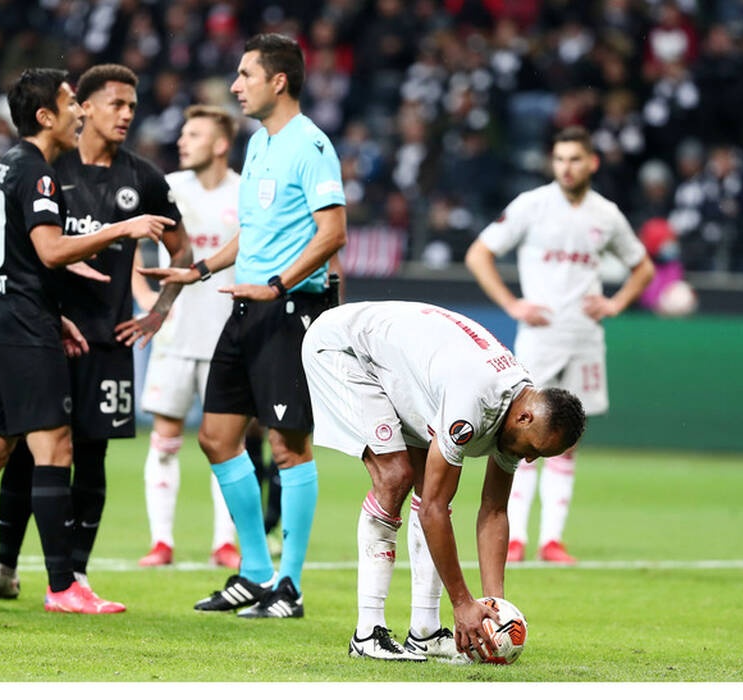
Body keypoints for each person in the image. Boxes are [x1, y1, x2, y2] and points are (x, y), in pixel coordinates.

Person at [0, 67, 172, 612]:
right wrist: (123, 227)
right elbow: (48, 251)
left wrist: (52, 313)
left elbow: (10, 256)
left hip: (3, 323)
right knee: (56, 449)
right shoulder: (40, 174)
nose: (78, 112)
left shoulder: (8, 167)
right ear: (46, 115)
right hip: (23, 333)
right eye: (72, 102)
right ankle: (63, 586)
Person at [133, 33, 346, 618]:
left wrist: (277, 284)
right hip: (244, 306)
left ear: (278, 81)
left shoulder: (311, 146)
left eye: (245, 75)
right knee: (217, 438)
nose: (235, 85)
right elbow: (253, 232)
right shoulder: (260, 145)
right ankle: (253, 572)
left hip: (288, 310)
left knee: (288, 446)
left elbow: (333, 234)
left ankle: (290, 585)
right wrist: (198, 268)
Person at [301, 300, 586, 661]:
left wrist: (492, 608)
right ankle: (367, 634)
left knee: (429, 486)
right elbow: (432, 511)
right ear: (525, 418)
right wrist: (463, 602)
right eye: (535, 450)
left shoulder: (520, 410)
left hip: (398, 362)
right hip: (343, 348)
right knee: (396, 477)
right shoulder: (475, 401)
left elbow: (494, 510)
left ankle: (425, 632)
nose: (529, 459)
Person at [464, 125, 654, 565]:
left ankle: (552, 540)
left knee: (568, 442)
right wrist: (512, 304)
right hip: (540, 338)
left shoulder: (606, 214)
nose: (567, 167)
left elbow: (642, 266)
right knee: (521, 434)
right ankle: (515, 538)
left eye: (575, 159)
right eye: (560, 159)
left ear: (592, 163)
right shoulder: (533, 206)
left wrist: (615, 302)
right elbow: (478, 253)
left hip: (585, 338)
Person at [136, 104, 243, 570]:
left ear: (220, 144)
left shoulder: (244, 195)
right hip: (174, 333)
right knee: (164, 437)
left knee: (226, 444)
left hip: (225, 335)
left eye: (194, 133)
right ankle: (161, 541)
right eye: (183, 132)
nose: (182, 140)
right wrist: (144, 298)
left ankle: (225, 543)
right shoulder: (169, 188)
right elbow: (130, 246)